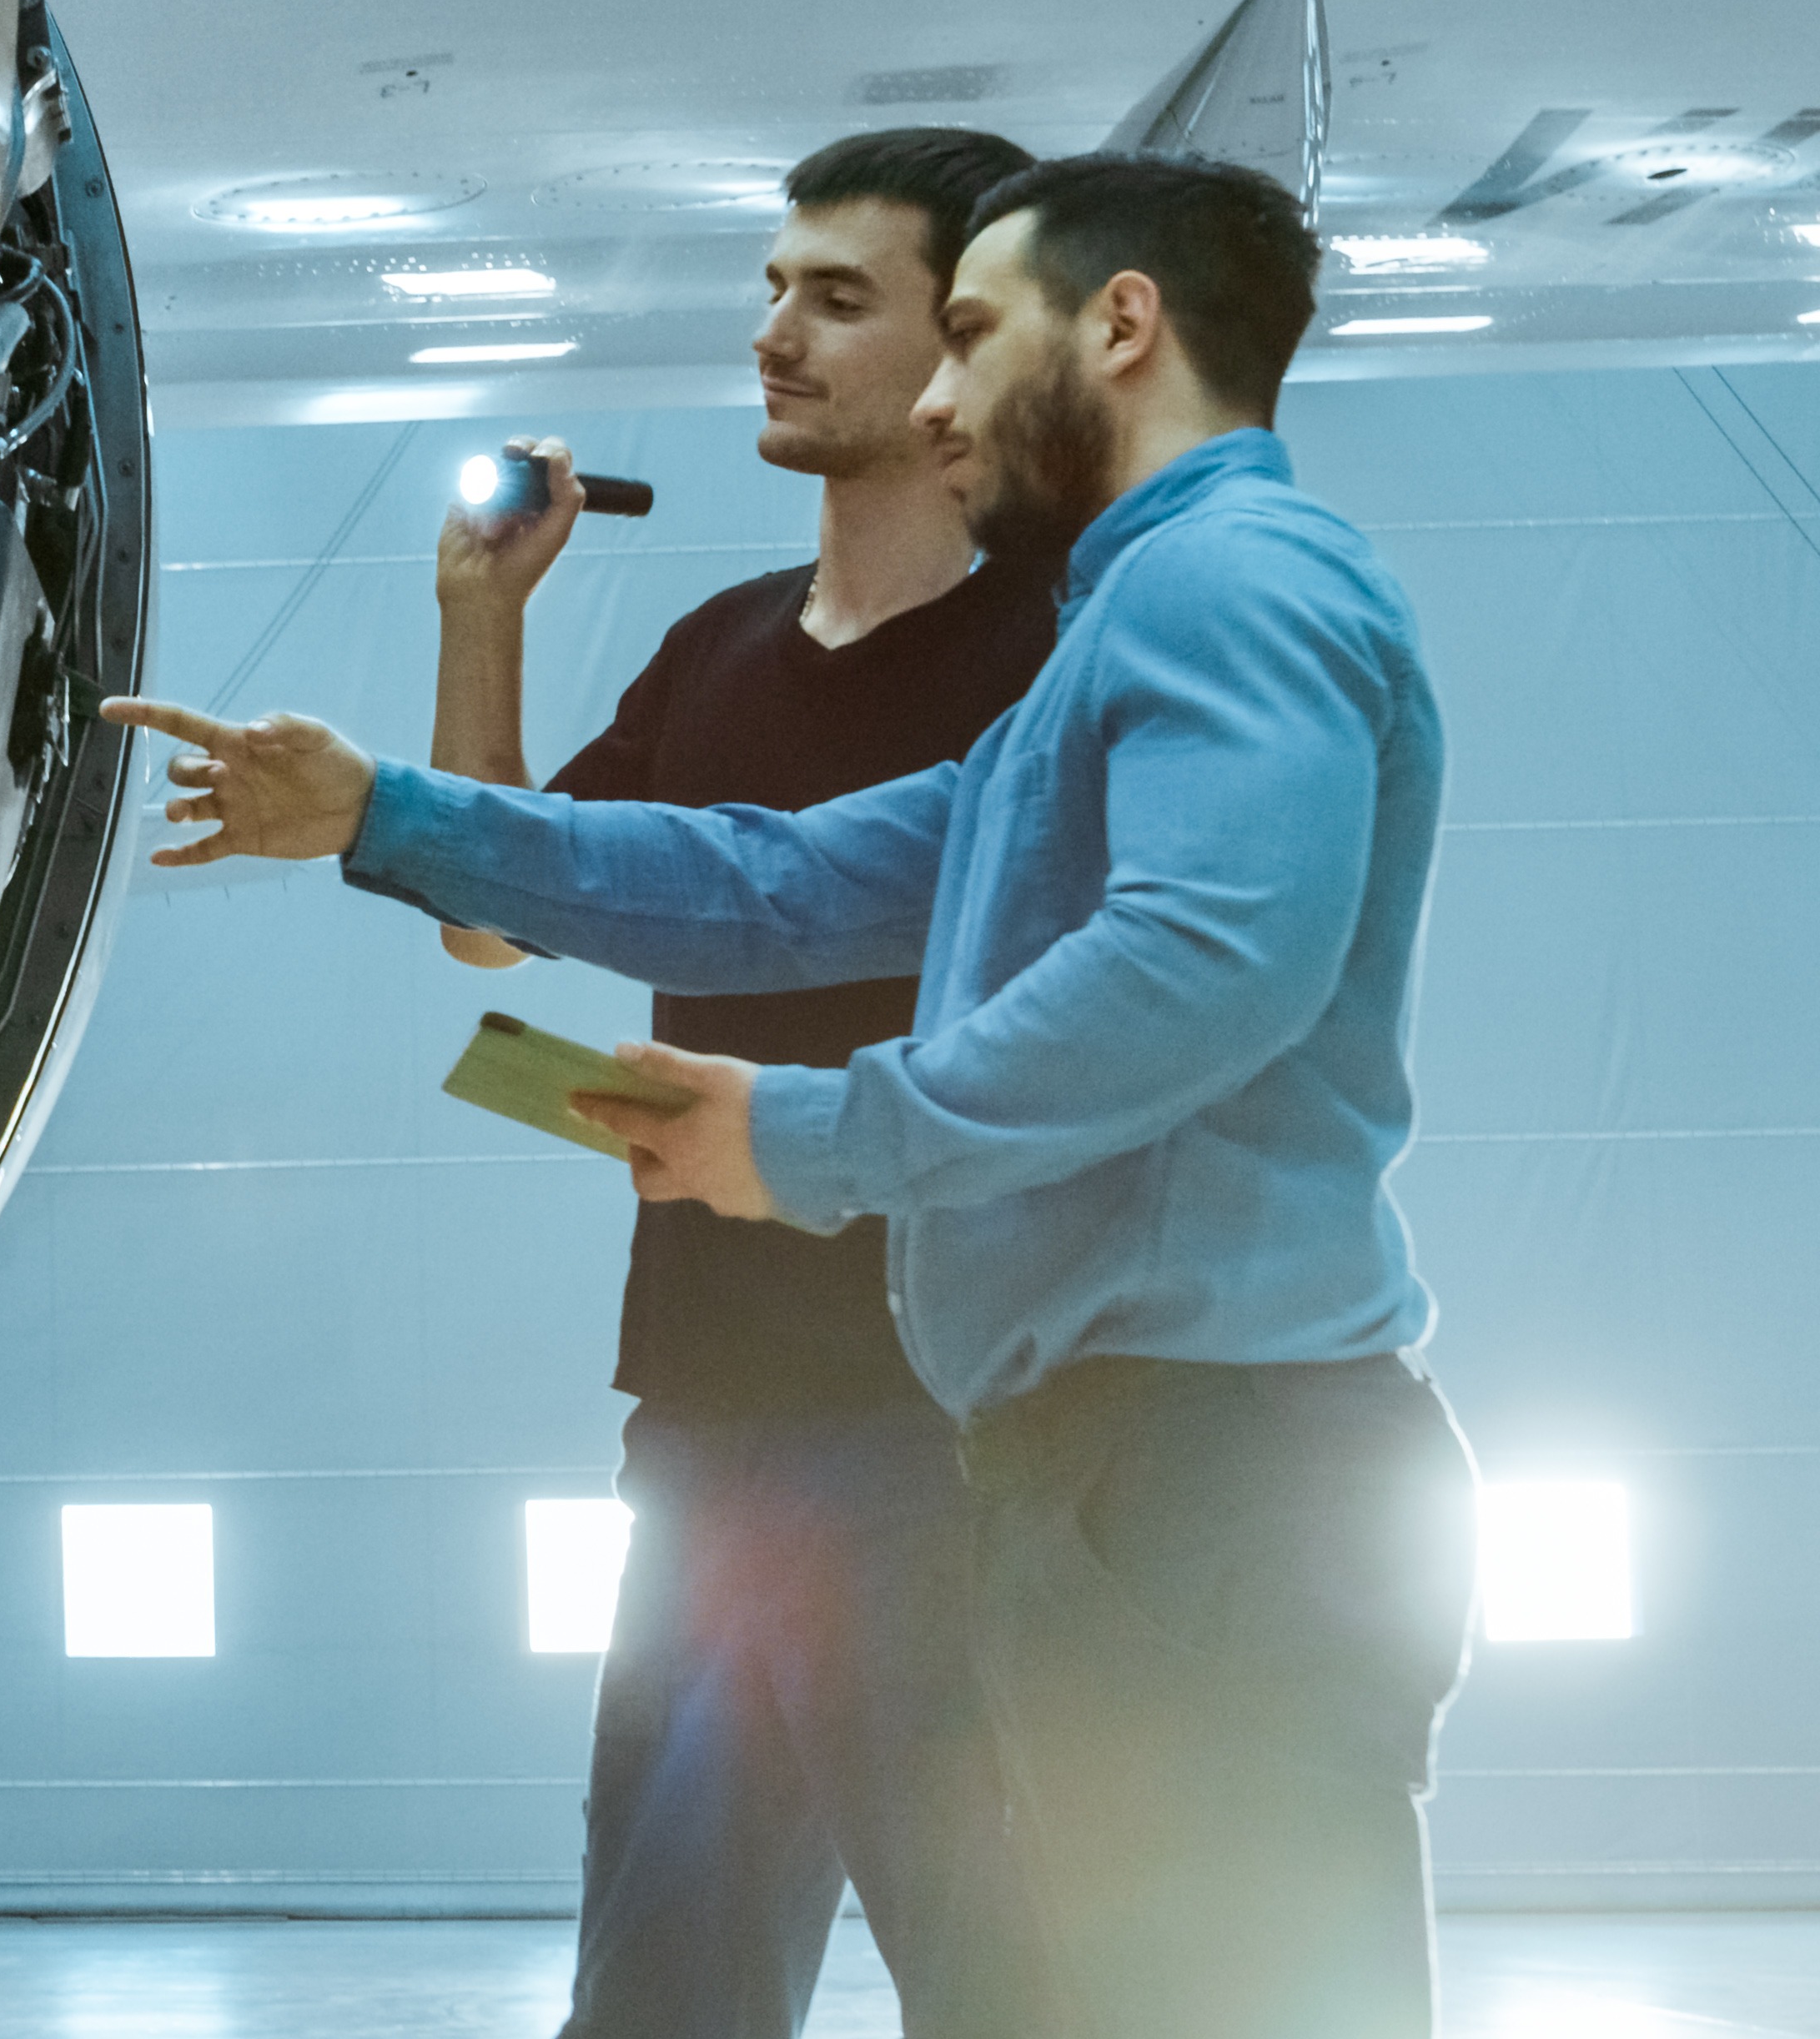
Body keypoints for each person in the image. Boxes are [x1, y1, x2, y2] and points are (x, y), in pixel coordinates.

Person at [105, 154, 1477, 2039]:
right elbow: (786, 878)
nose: (933, 400)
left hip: (1204, 1469)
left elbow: (1206, 965)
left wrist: (816, 1137)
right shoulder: (1130, 626)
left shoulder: (1226, 587)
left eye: (966, 338)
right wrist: (385, 815)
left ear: (1125, 326)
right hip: (1109, 1464)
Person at [430, 130, 1053, 2039]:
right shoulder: (714, 648)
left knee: (1016, 1975)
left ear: (960, 350)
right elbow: (494, 925)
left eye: (834, 299)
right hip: (702, 1424)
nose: (774, 333)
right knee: (661, 1991)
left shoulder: (1057, 665)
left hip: (957, 1438)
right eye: (771, 289)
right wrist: (484, 616)